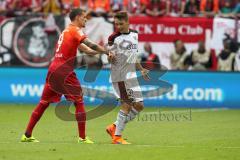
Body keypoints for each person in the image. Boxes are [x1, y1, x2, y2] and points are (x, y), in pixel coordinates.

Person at [21, 8, 115, 143]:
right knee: (79, 101)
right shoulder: (75, 30)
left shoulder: (66, 31)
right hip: (64, 70)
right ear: (77, 17)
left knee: (44, 102)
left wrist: (99, 53)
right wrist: (106, 52)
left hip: (53, 69)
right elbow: (90, 44)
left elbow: (86, 49)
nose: (86, 19)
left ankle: (27, 134)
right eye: (83, 17)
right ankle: (82, 138)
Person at [106, 11, 149, 144]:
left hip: (131, 75)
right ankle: (117, 137)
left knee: (139, 105)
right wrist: (110, 57)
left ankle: (113, 127)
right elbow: (109, 57)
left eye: (120, 23)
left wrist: (141, 69)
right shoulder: (113, 37)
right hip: (119, 75)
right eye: (116, 24)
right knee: (127, 104)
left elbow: (133, 55)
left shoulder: (135, 34)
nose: (118, 26)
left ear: (127, 22)